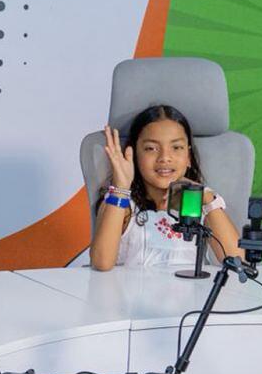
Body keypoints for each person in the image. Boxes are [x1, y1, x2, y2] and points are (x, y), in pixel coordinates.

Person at [89, 104, 242, 271]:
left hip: (193, 288)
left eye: (176, 147)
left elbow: (237, 260)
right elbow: (101, 263)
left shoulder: (203, 202)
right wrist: (121, 187)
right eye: (151, 148)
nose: (165, 158)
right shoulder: (122, 202)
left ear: (188, 157)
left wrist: (205, 197)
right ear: (134, 155)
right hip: (133, 288)